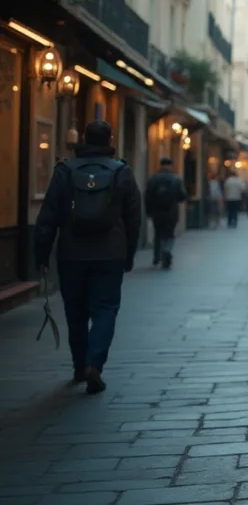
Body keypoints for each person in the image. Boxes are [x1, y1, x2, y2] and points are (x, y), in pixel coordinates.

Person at [34, 120, 141, 394]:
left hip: (72, 253)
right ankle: (95, 363)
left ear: (84, 139)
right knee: (105, 309)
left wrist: (42, 254)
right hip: (110, 253)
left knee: (75, 311)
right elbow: (133, 218)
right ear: (110, 140)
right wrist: (129, 254)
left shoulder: (64, 171)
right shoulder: (122, 172)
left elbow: (48, 216)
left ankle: (80, 365)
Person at [144, 157, 187, 269]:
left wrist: (148, 211)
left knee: (157, 234)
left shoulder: (153, 179)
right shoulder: (176, 179)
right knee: (169, 234)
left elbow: (147, 196)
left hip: (156, 212)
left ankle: (156, 257)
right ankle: (166, 251)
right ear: (171, 165)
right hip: (171, 212)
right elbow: (182, 196)